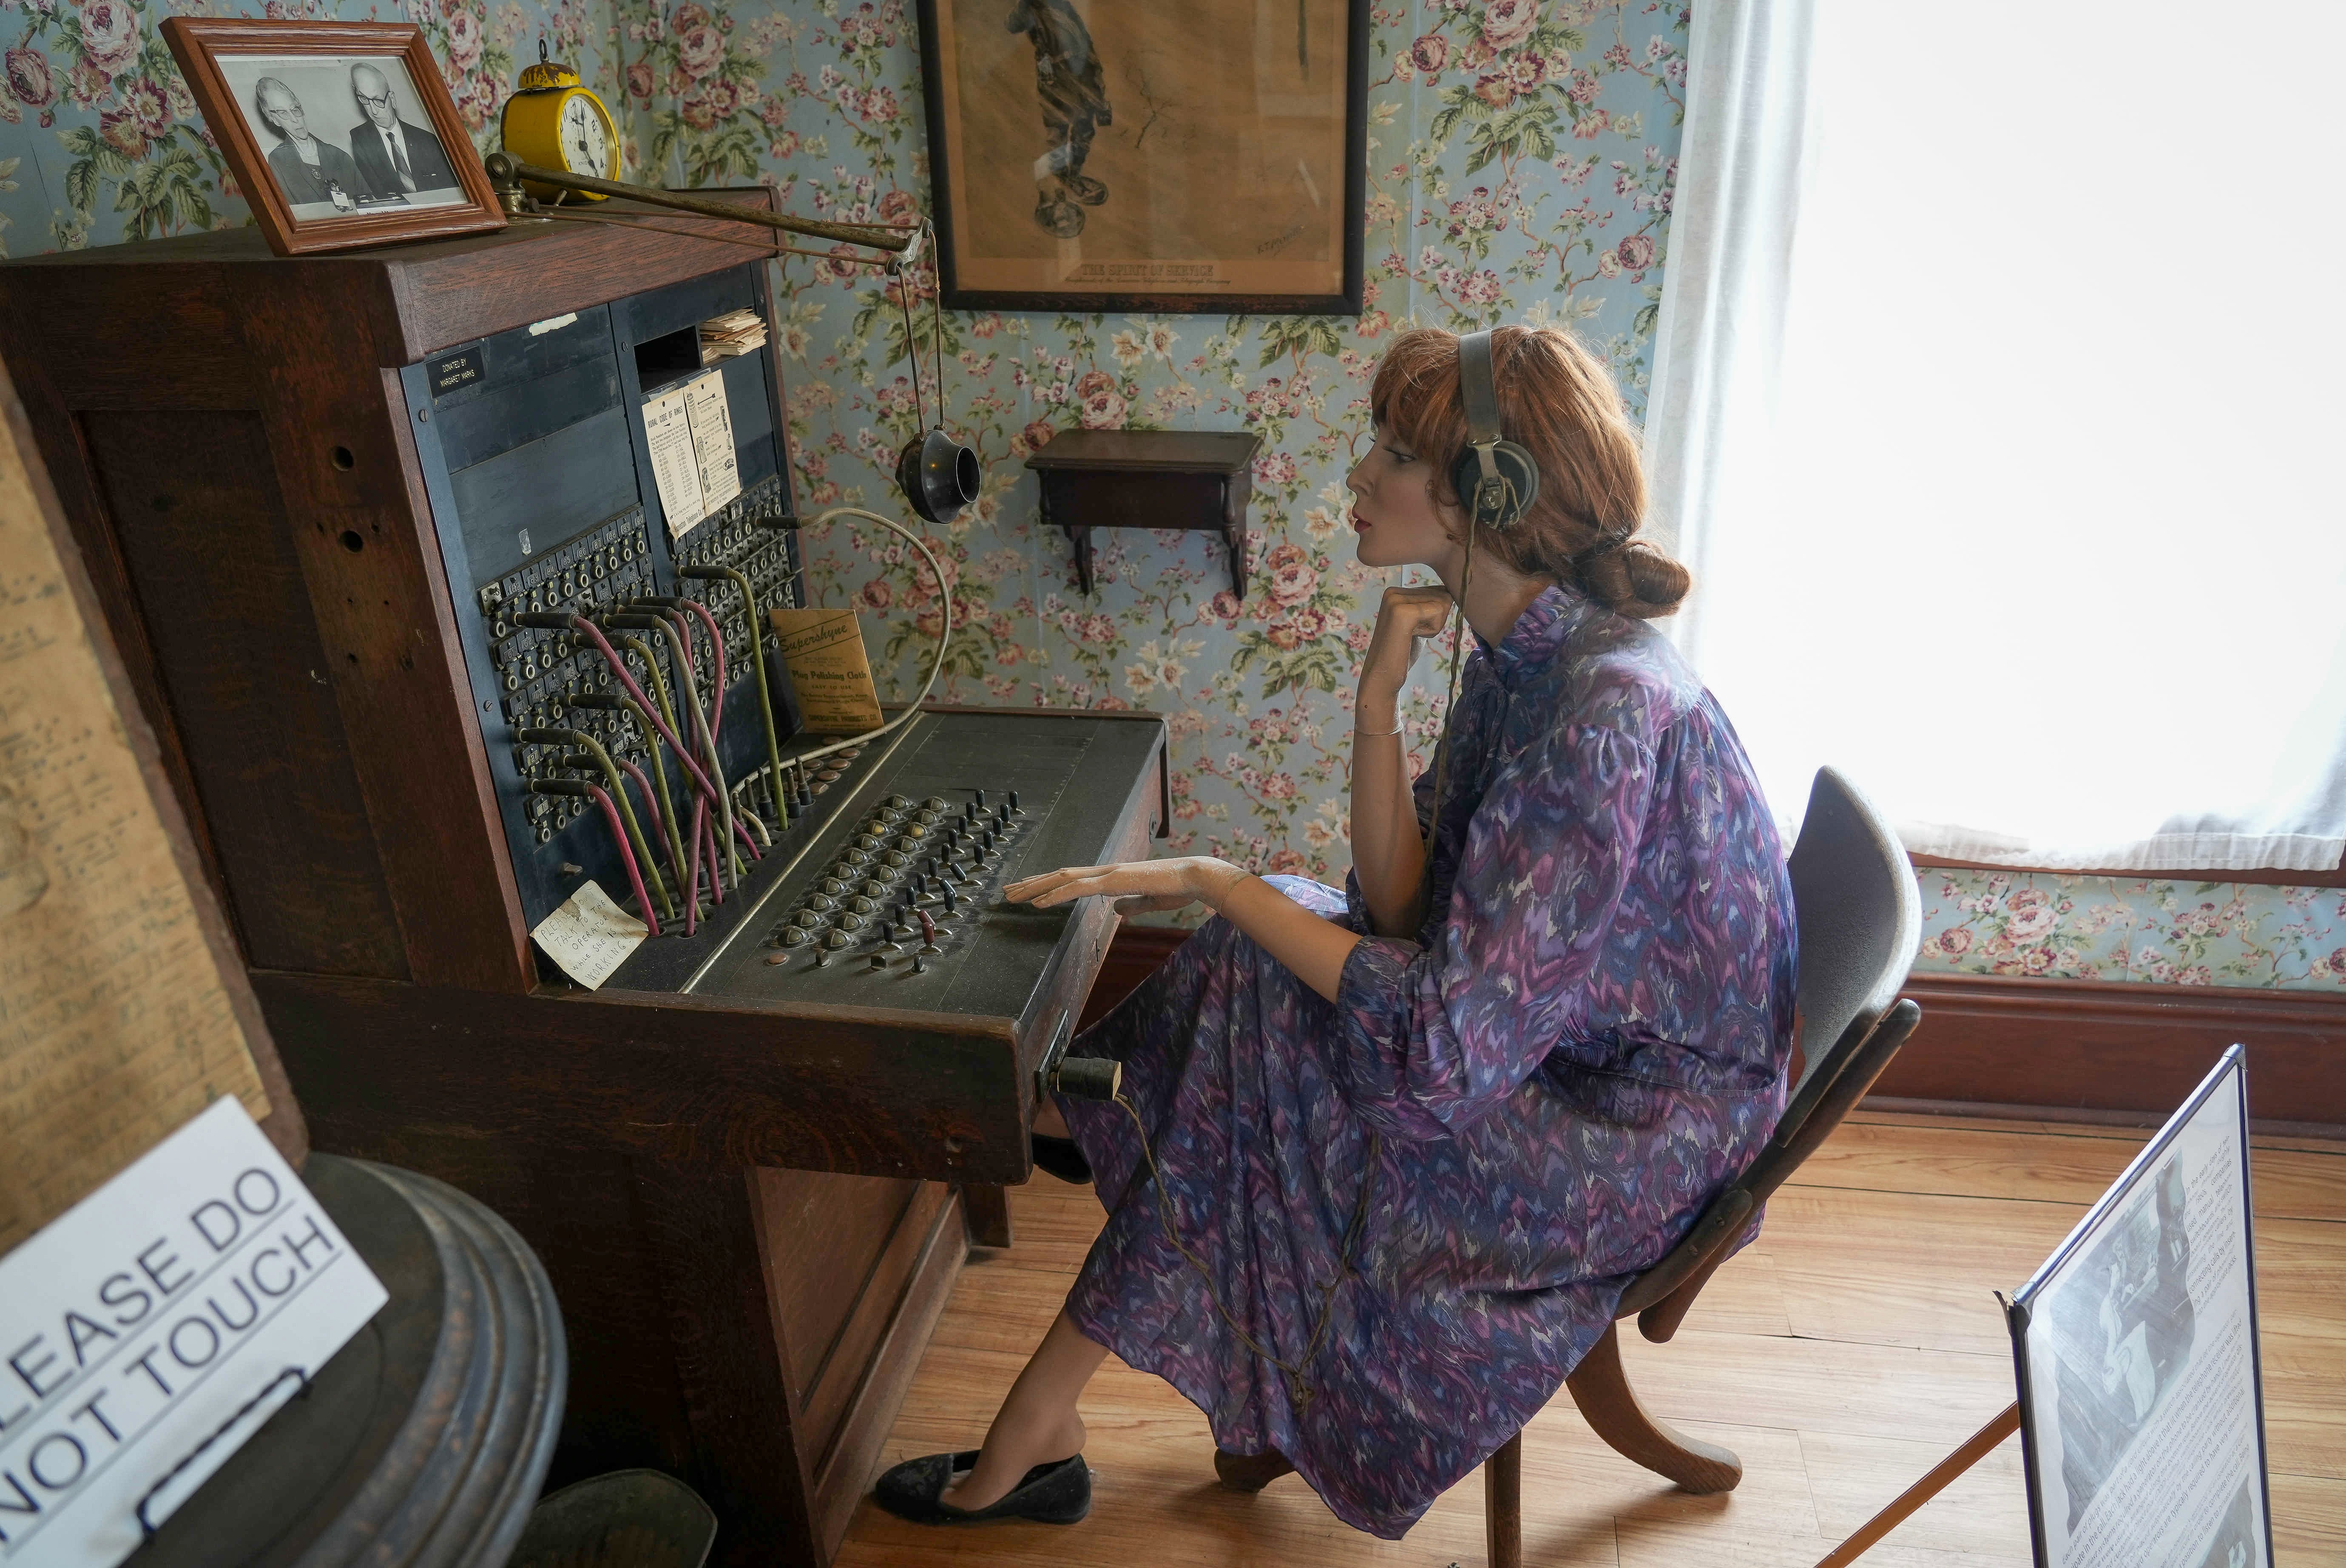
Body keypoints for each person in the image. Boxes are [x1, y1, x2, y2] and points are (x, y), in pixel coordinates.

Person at [869, 324, 1799, 1538]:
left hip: (1629, 1139)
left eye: (1393, 455)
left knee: (1243, 1022)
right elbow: (1402, 914)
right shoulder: (1528, 654)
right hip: (1563, 1064)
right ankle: (1050, 1367)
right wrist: (1374, 702)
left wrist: (1213, 877)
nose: (1356, 478)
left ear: (1487, 495)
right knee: (1253, 983)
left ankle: (1064, 1284)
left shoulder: (1598, 709)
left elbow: (1437, 1060)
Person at [1006, 0, 1111, 237]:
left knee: (1085, 128)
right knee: (1059, 129)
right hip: (1055, 74)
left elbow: (1083, 36)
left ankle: (1072, 177)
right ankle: (1061, 180)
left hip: (1082, 70)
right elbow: (1012, 25)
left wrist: (1097, 80)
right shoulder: (1032, 6)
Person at [346, 63, 459, 201]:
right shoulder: (360, 138)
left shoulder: (428, 141)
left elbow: (451, 193)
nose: (373, 111)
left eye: (377, 100)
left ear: (392, 100)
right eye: (364, 99)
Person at [254, 78, 361, 210]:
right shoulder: (278, 161)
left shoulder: (339, 156)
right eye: (283, 113)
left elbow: (369, 205)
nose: (294, 119)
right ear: (275, 120)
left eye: (294, 109)